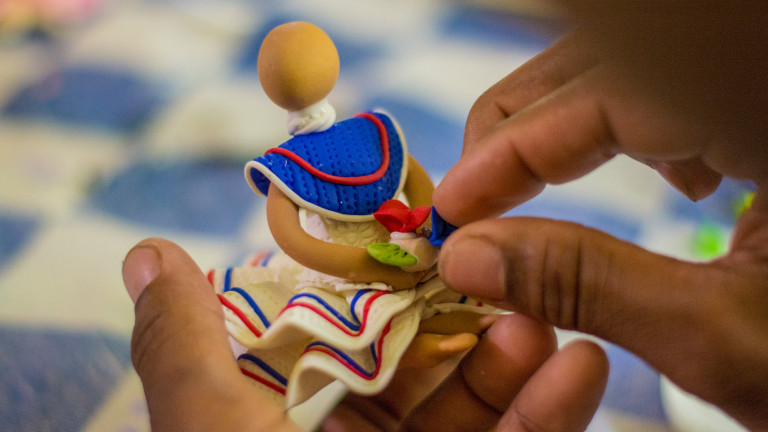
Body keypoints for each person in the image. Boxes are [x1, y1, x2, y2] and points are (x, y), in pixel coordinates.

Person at [123, 2, 768, 431]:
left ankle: (448, 334)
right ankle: (415, 349)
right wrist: (363, 262)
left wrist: (430, 217)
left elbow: (414, 179)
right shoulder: (287, 167)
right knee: (370, 324)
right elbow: (291, 235)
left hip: (407, 246)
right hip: (351, 276)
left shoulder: (371, 131)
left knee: (450, 296)